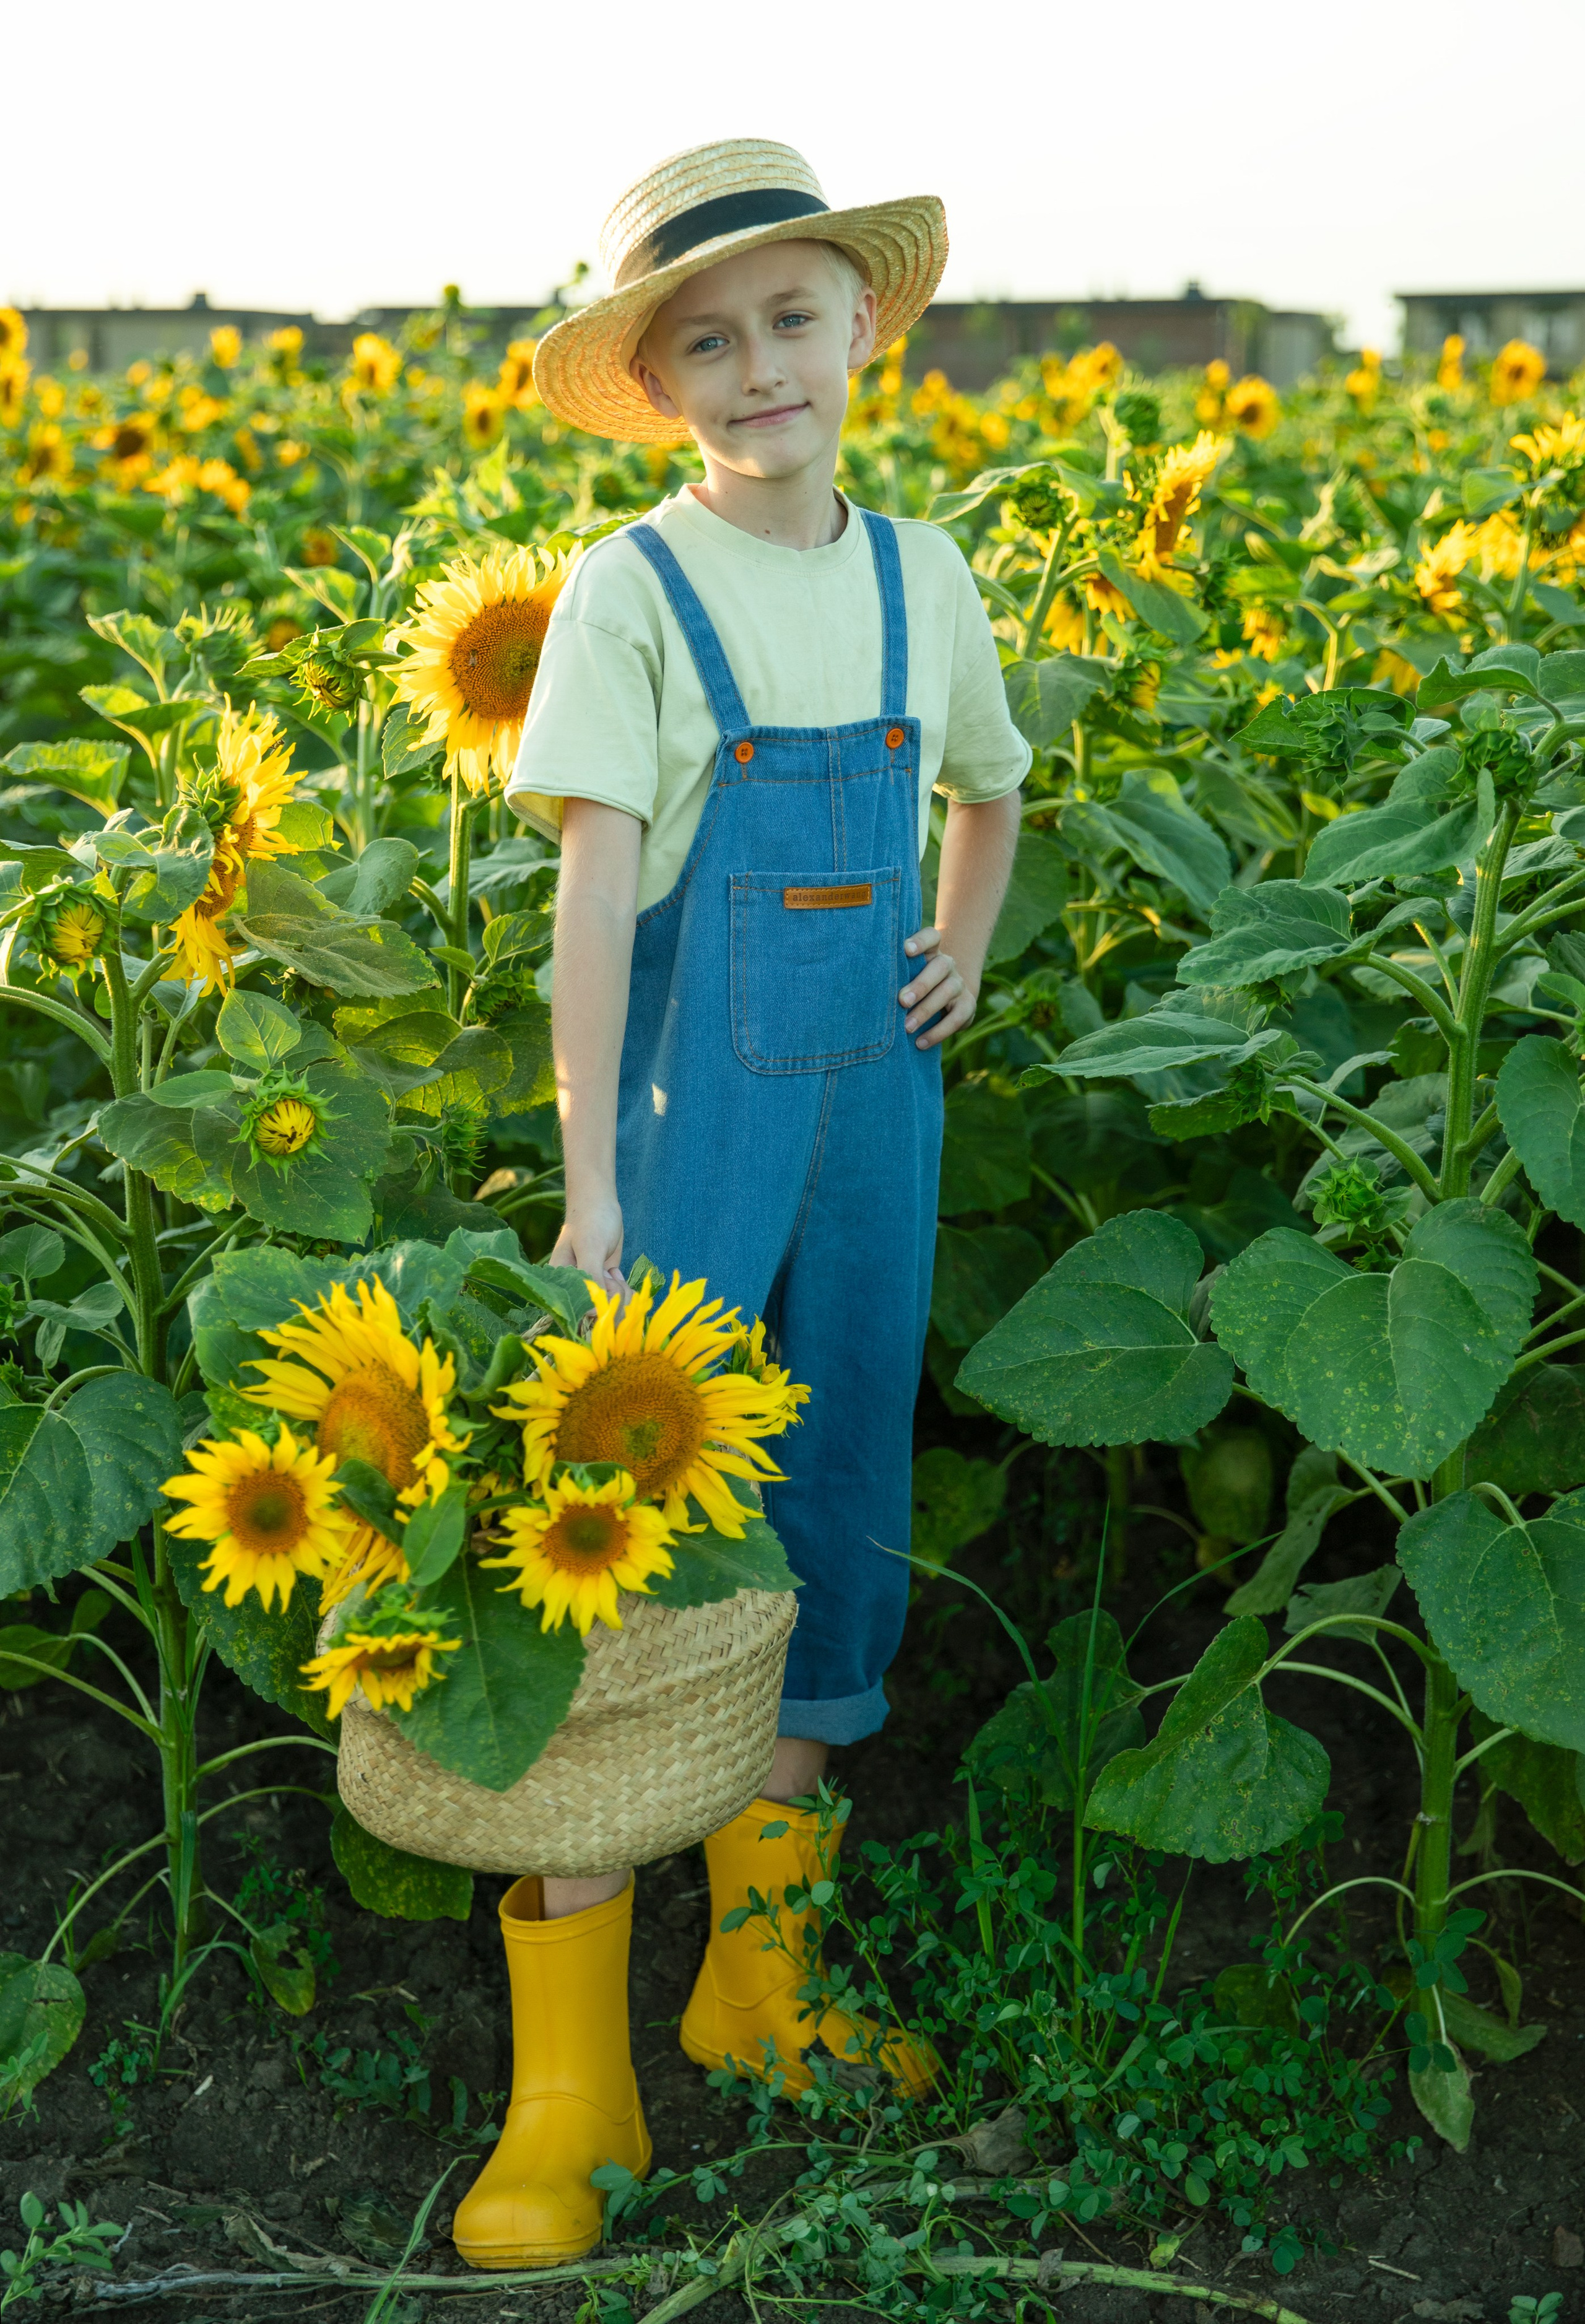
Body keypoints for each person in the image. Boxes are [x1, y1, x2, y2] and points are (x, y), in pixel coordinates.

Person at [453, 136, 1028, 2272]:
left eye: (793, 317)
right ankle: (568, 2083)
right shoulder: (634, 588)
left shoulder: (924, 574)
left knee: (840, 1498)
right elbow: (597, 904)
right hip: (688, 1128)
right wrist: (592, 1182)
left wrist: (964, 938)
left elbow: (991, 782)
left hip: (876, 1113)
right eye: (709, 338)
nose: (760, 364)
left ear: (865, 326)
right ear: (665, 381)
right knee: (628, 1546)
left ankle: (760, 1977)